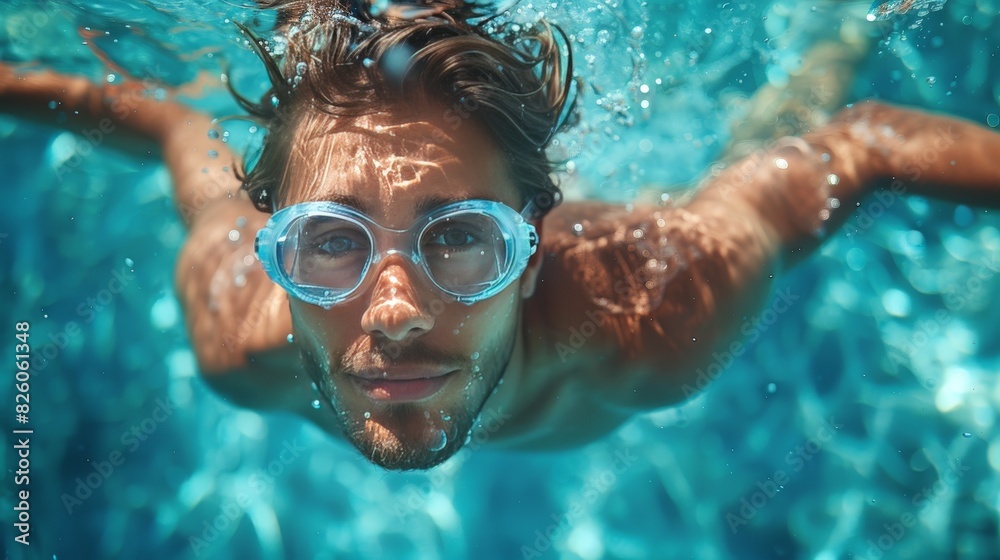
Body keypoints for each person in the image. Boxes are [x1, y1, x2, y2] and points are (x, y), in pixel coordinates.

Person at [3, 0, 999, 471]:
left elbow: (861, 144)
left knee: (771, 134)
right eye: (331, 243)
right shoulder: (234, 330)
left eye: (462, 239)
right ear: (275, 247)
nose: (393, 313)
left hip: (635, 229)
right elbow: (179, 126)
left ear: (530, 247)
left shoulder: (655, 309)